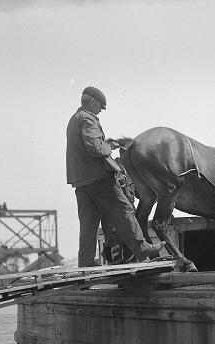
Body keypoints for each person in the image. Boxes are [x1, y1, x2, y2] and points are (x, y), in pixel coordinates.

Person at [66, 86, 165, 267]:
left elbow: (88, 145)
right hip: (100, 180)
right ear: (93, 102)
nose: (100, 111)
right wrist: (109, 146)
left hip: (82, 182)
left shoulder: (74, 120)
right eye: (100, 107)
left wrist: (104, 143)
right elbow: (95, 147)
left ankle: (86, 265)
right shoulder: (88, 118)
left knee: (88, 226)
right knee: (125, 211)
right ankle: (142, 248)